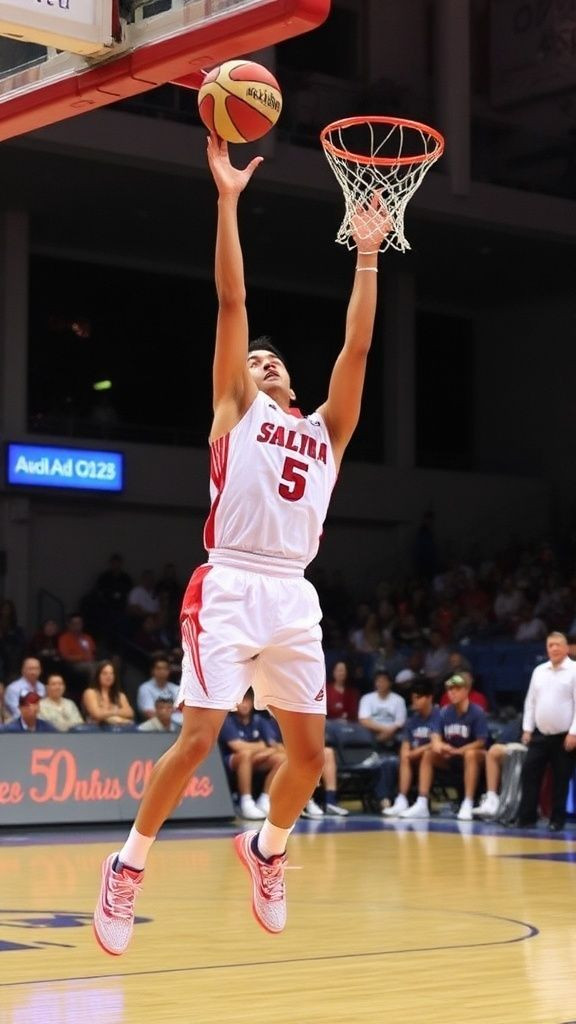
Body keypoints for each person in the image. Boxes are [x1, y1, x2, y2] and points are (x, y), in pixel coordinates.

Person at [93, 131, 390, 956]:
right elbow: (233, 303)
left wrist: (367, 255)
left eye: (272, 361)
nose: (260, 362)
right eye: (253, 360)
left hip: (294, 591)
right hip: (228, 582)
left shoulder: (327, 429)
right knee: (198, 739)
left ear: (291, 384)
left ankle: (267, 848)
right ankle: (128, 864)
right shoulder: (236, 412)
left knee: (307, 755)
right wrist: (226, 201)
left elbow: (357, 347)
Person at [399, 673, 488, 821]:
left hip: (473, 757)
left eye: (456, 689)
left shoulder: (477, 712)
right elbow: (435, 738)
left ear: (466, 690)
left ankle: (468, 802)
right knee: (429, 753)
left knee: (471, 754)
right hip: (450, 756)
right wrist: (441, 747)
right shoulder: (444, 712)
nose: (451, 692)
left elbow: (481, 741)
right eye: (449, 689)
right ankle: (422, 803)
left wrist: (460, 750)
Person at [515, 631, 576, 831]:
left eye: (558, 644)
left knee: (561, 779)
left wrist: (574, 732)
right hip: (540, 735)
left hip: (564, 736)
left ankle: (557, 820)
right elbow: (530, 702)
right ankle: (527, 817)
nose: (554, 648)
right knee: (529, 773)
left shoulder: (574, 670)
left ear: (566, 648)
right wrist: (527, 729)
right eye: (550, 645)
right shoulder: (539, 671)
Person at [219, 691, 286, 820]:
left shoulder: (259, 720)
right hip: (230, 761)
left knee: (282, 758)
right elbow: (237, 747)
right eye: (241, 701)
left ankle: (265, 798)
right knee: (244, 755)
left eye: (248, 700)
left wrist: (268, 750)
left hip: (256, 760)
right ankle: (246, 801)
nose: (244, 704)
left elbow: (274, 745)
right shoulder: (227, 720)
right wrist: (261, 747)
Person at [383, 677, 442, 817]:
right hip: (416, 758)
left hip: (438, 758)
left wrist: (416, 752)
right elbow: (405, 748)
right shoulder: (411, 721)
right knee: (403, 757)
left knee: (427, 753)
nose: (415, 701)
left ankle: (422, 803)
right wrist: (411, 753)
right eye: (413, 697)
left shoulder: (438, 716)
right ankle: (401, 800)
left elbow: (436, 744)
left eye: (419, 697)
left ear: (429, 698)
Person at [82, 660, 135, 728]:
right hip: (94, 732)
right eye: (105, 673)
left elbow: (130, 713)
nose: (109, 676)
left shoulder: (120, 695)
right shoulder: (90, 693)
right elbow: (97, 714)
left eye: (111, 673)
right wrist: (117, 716)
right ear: (98, 675)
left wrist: (108, 714)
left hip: (117, 732)